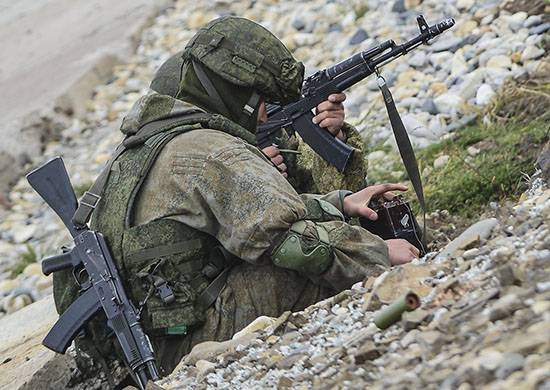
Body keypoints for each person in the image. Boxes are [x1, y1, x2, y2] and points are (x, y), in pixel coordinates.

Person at [54, 16, 420, 379]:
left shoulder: (139, 148)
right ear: (237, 95)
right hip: (181, 345)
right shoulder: (210, 151)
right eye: (262, 100)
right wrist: (379, 254)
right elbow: (292, 242)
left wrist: (338, 203)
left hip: (150, 338)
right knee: (316, 264)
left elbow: (247, 220)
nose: (265, 114)